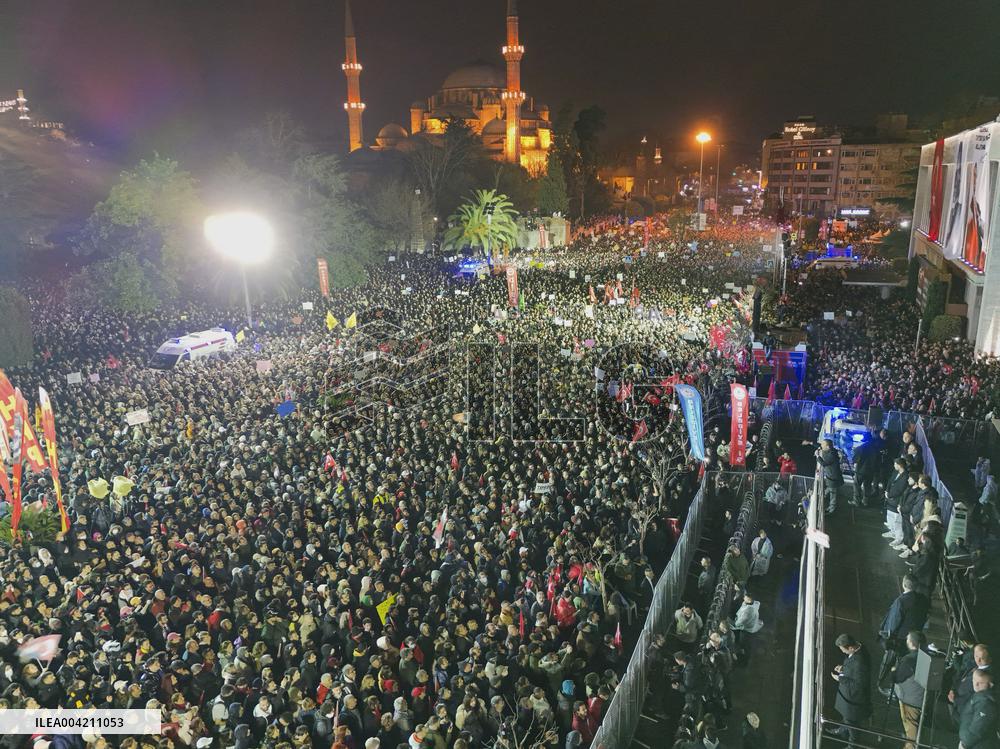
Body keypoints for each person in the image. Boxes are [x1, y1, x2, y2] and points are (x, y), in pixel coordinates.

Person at [831, 633, 872, 748]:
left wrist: (839, 678)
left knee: (852, 724)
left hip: (853, 699)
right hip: (849, 698)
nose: (843, 652)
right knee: (847, 718)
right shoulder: (859, 648)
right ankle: (842, 730)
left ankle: (852, 745)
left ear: (851, 648)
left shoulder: (860, 662)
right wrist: (844, 669)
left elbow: (858, 684)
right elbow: (853, 669)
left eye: (843, 650)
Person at [878, 575, 929, 659]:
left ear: (904, 585)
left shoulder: (901, 601)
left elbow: (894, 623)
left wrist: (886, 637)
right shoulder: (923, 599)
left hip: (899, 641)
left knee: (891, 661)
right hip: (915, 638)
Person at [891, 631, 926, 749]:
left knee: (911, 728)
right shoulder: (926, 656)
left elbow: (897, 678)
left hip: (910, 700)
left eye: (907, 640)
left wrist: (893, 670)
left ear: (911, 643)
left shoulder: (908, 660)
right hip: (920, 697)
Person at [958, 669, 998, 749]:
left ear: (990, 685)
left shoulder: (986, 703)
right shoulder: (979, 694)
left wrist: (964, 744)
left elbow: (977, 730)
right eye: (974, 680)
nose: (975, 684)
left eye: (980, 683)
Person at [883, 458, 909, 550]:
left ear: (900, 465)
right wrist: (887, 491)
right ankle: (892, 532)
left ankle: (899, 538)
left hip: (897, 501)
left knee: (897, 521)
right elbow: (890, 481)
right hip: (890, 500)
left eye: (895, 464)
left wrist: (890, 495)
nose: (894, 466)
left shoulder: (905, 476)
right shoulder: (895, 473)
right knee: (889, 517)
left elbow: (900, 489)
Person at [816, 440, 844, 513]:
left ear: (828, 447)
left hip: (833, 477)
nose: (821, 446)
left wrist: (817, 456)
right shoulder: (832, 450)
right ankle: (822, 495)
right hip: (832, 477)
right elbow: (820, 447)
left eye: (823, 445)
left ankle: (832, 509)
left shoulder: (831, 455)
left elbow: (823, 463)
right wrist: (810, 443)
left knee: (833, 494)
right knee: (830, 488)